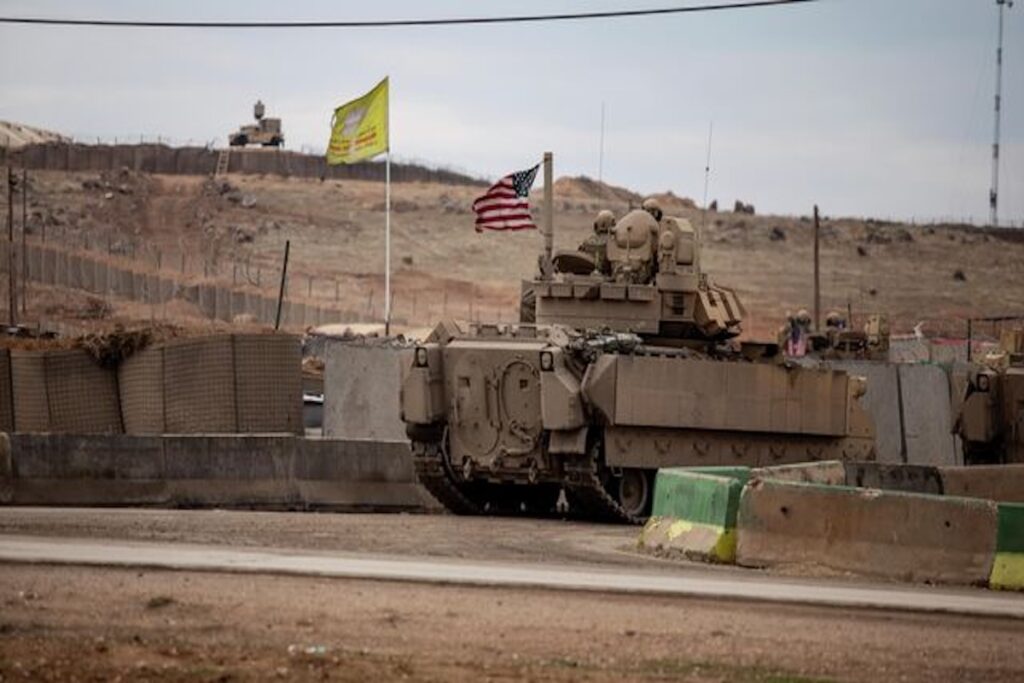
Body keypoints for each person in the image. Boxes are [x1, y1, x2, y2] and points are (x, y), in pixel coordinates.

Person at [578, 209, 615, 275]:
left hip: (587, 275)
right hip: (606, 277)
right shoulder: (613, 242)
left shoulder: (587, 241)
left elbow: (580, 257)